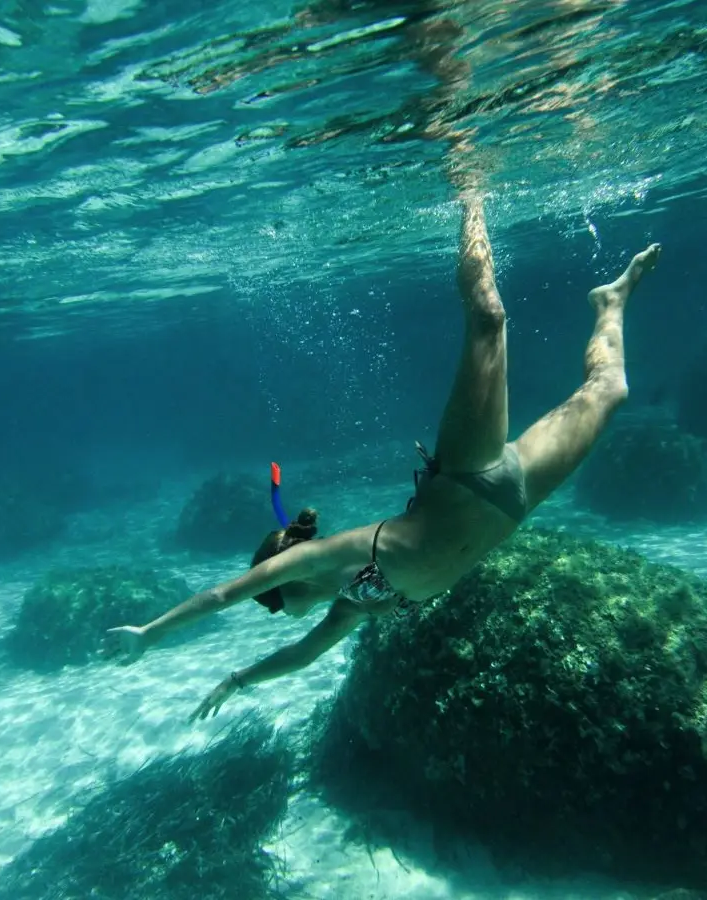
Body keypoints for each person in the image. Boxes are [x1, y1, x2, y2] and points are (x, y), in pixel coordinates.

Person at [109, 185, 662, 721]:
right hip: (518, 497)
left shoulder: (315, 558)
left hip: (470, 474)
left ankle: (470, 195)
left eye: (273, 605)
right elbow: (302, 655)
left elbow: (221, 594)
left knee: (488, 319)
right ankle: (610, 303)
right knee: (611, 391)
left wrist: (149, 633)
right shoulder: (351, 605)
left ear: (282, 582)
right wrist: (236, 681)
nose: (278, 615)